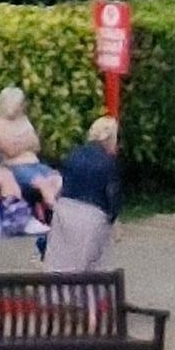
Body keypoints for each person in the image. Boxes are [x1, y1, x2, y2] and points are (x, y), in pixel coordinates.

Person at [46, 112, 124, 272]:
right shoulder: (108, 163)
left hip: (65, 208)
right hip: (92, 215)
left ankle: (54, 294)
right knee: (89, 264)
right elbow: (112, 195)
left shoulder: (73, 154)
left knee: (59, 261)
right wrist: (114, 219)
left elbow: (62, 184)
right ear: (111, 139)